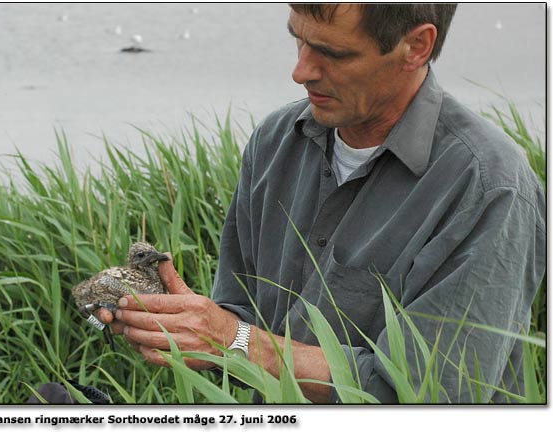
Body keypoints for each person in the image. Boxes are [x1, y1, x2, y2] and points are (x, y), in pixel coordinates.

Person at [97, 4, 545, 403]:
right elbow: (240, 317)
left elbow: (430, 394)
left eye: (333, 53)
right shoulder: (276, 141)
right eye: (298, 39)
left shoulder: (490, 188)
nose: (301, 71)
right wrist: (176, 322)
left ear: (416, 46)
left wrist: (234, 341)